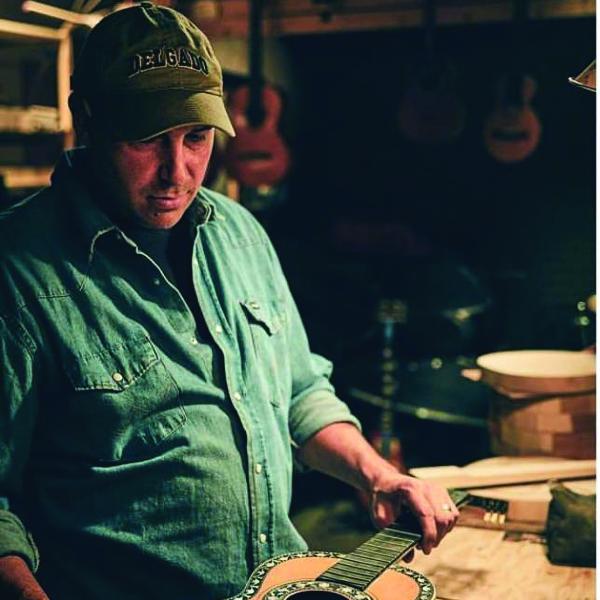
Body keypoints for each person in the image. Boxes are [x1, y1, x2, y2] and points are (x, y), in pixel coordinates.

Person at [0, 3, 458, 599]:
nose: (178, 171)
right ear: (85, 121)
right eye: (147, 140)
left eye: (196, 138)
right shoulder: (17, 267)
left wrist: (377, 475)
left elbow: (301, 394)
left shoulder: (239, 232)